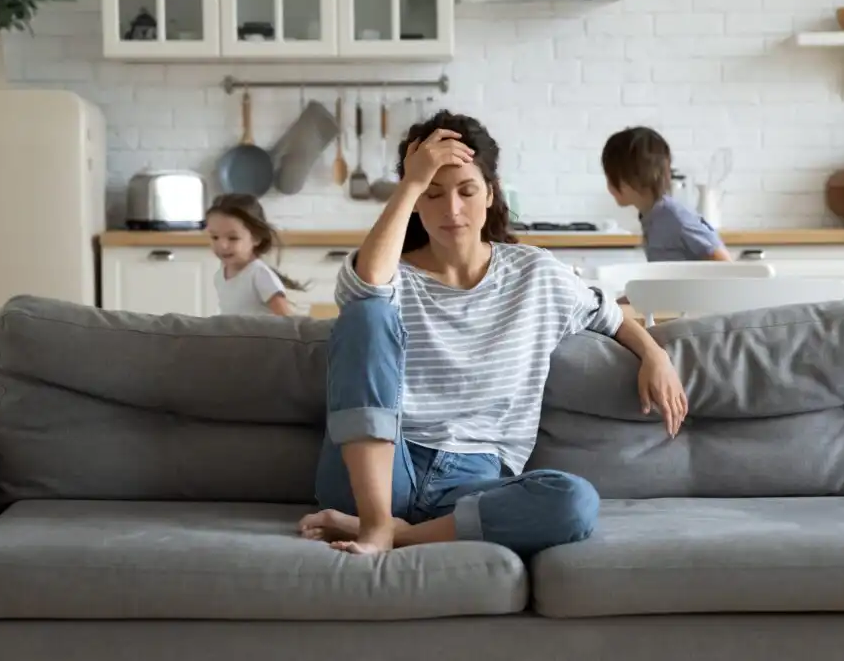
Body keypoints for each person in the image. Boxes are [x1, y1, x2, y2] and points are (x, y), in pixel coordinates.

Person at [297, 111, 689, 559]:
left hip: (473, 482)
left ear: (490, 194)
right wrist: (410, 179)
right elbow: (365, 288)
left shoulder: (536, 274)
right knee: (366, 314)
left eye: (466, 191)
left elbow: (611, 317)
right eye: (432, 193)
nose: (452, 210)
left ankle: (390, 533)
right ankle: (374, 518)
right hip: (380, 466)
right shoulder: (391, 275)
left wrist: (655, 354)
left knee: (574, 501)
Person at [602, 126, 732, 262]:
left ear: (630, 178)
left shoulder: (675, 216)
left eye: (611, 177)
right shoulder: (650, 216)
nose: (609, 185)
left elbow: (724, 263)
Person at [204, 193, 306, 317]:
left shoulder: (259, 274)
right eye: (215, 237)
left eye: (233, 238)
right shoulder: (220, 275)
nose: (222, 245)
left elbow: (288, 320)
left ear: (256, 238)